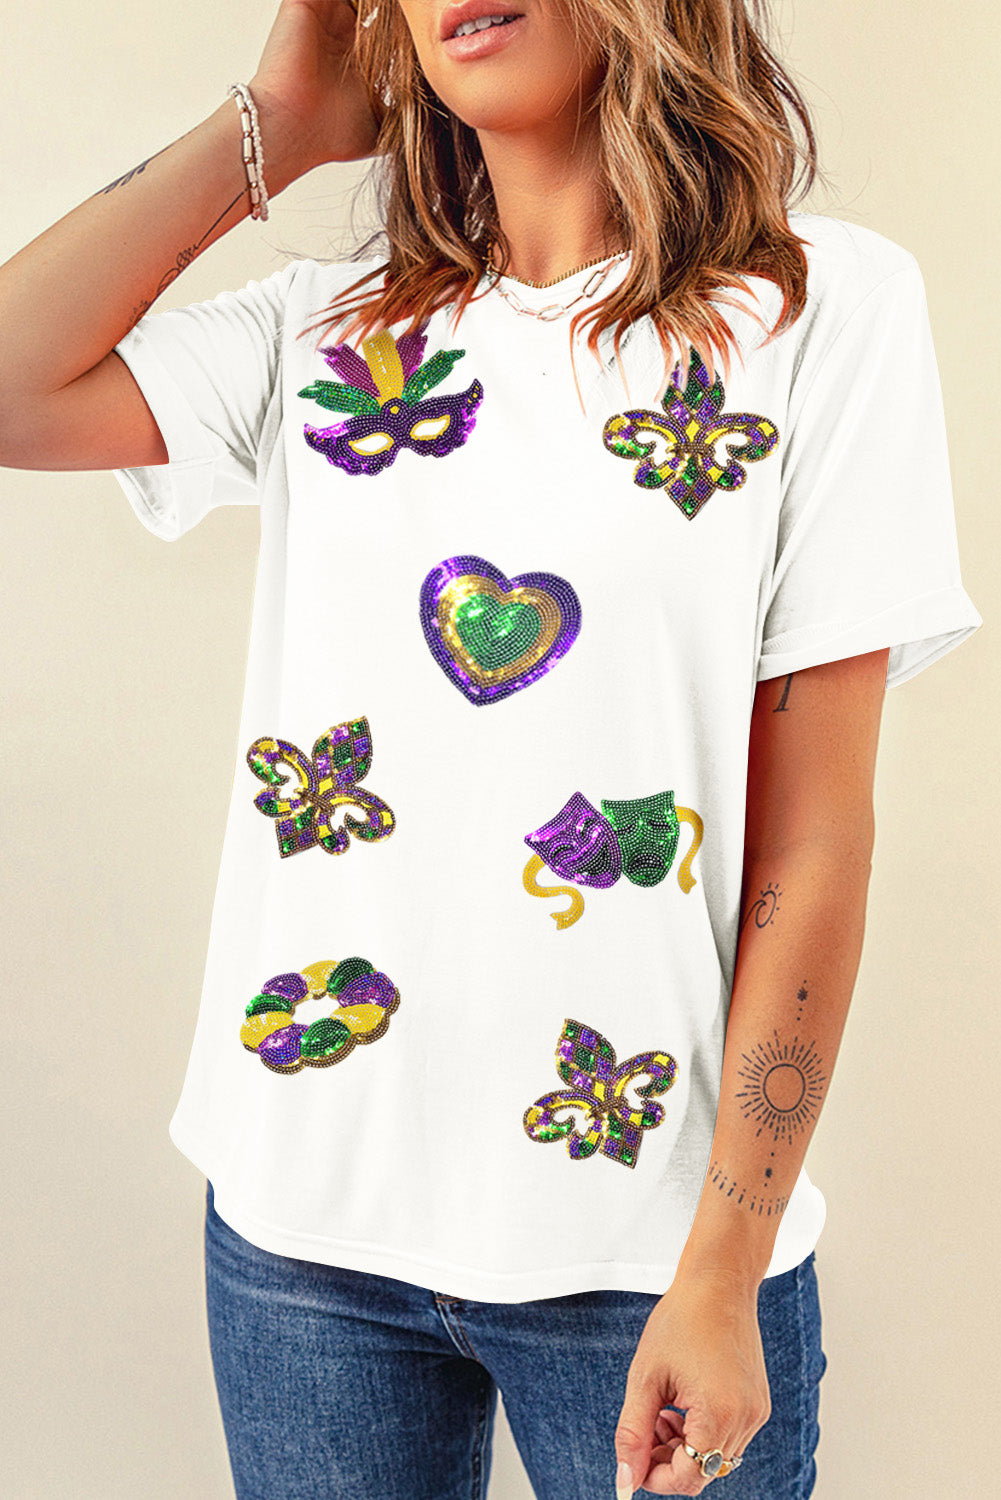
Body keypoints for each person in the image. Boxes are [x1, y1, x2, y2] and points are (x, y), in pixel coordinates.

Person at [0, 1, 982, 1496]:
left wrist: (724, 1267)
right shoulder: (334, 339)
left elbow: (815, 839)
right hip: (303, 1239)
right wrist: (274, 127)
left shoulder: (816, 313)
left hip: (652, 1253)